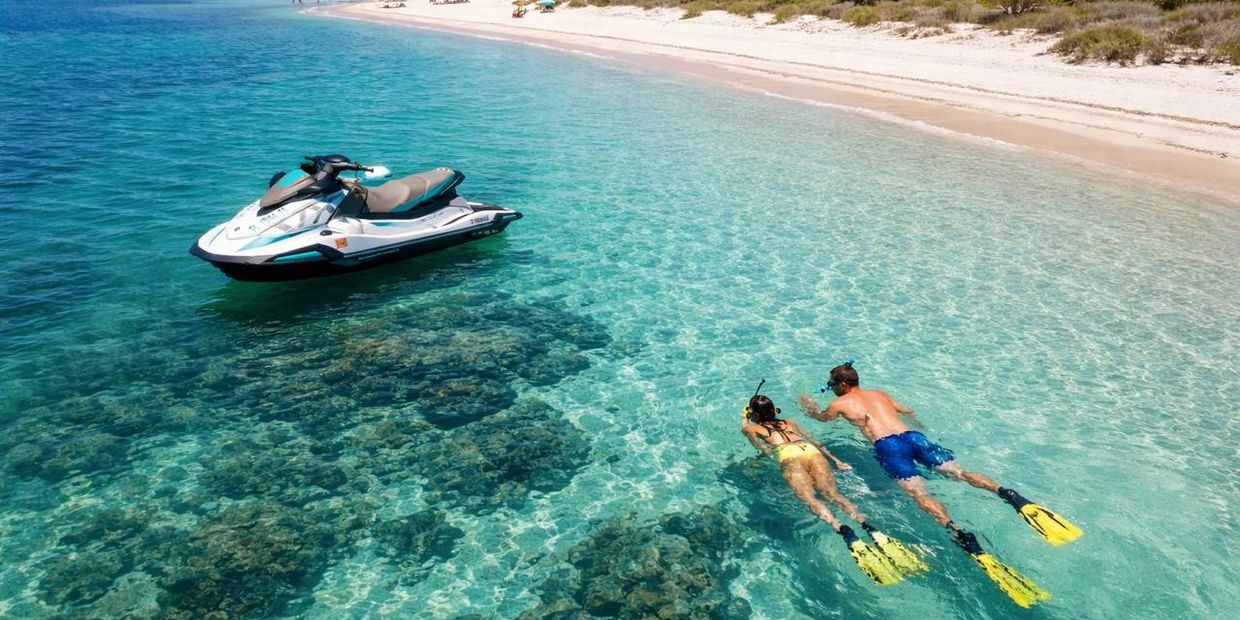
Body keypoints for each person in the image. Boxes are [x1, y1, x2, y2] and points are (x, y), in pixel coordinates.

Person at [800, 361, 1082, 606]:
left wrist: (809, 407)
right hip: (914, 437)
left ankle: (957, 530)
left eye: (831, 383)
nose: (830, 387)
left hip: (889, 447)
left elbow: (823, 419)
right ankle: (1007, 494)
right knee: (961, 473)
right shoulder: (880, 394)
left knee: (919, 496)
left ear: (844, 384)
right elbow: (908, 411)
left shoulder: (839, 402)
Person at [741, 393, 925, 585]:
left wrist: (745, 417)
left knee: (811, 499)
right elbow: (814, 441)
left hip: (790, 457)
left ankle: (843, 530)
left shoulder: (754, 427)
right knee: (833, 494)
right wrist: (837, 461)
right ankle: (868, 526)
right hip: (811, 452)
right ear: (773, 410)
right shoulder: (789, 421)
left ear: (756, 415)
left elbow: (758, 444)